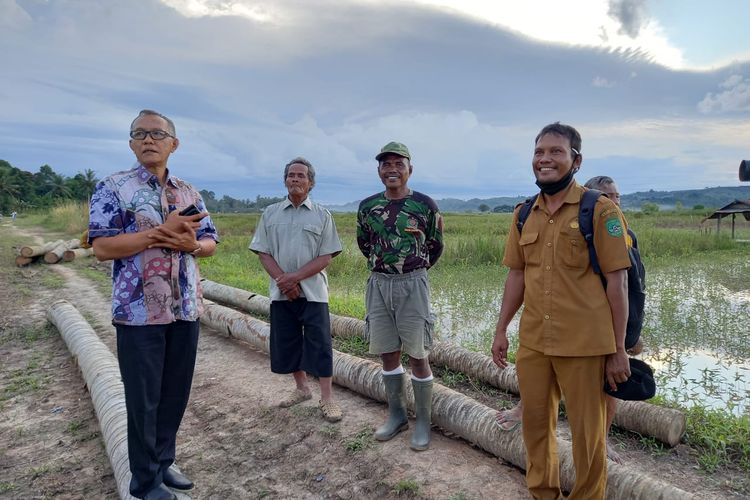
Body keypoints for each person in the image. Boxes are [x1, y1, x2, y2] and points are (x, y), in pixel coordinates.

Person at [491, 122, 631, 499]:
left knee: (588, 436)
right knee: (536, 427)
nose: (545, 159)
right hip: (535, 342)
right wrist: (502, 328)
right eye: (539, 152)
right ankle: (543, 493)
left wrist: (619, 349)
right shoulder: (523, 214)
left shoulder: (600, 211)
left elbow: (618, 284)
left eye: (556, 151)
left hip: (585, 344)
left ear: (576, 160)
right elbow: (517, 275)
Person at [88, 109, 218, 500]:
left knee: (175, 393)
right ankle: (144, 482)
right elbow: (102, 247)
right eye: (140, 134)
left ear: (173, 144)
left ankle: (163, 462)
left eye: (157, 134)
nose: (149, 140)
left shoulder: (188, 191)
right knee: (142, 399)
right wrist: (160, 234)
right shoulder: (113, 188)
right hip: (138, 311)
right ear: (131, 143)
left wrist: (192, 245)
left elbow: (210, 241)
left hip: (184, 308)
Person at [496, 175, 644, 465]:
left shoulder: (623, 232)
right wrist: (501, 328)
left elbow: (629, 286)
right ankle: (525, 412)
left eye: (617, 196)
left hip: (600, 331)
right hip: (550, 328)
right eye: (607, 196)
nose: (613, 202)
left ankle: (601, 440)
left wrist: (624, 341)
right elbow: (522, 275)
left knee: (605, 392)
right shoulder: (538, 215)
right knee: (540, 386)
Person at [357, 141, 444, 451]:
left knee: (418, 354)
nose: (392, 169)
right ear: (379, 171)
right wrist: (388, 268)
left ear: (410, 169)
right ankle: (396, 415)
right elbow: (365, 244)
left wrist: (411, 269)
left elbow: (435, 246)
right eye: (385, 164)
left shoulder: (425, 205)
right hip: (379, 284)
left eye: (398, 164)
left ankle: (422, 420)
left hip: (413, 284)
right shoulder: (367, 207)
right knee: (387, 351)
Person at [249, 157, 344, 423]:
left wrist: (295, 279)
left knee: (320, 344)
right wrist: (283, 282)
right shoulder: (270, 213)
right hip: (281, 293)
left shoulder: (322, 215)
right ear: (284, 180)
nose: (295, 179)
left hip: (314, 292)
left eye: (301, 176)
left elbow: (326, 256)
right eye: (291, 175)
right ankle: (301, 389)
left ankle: (327, 399)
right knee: (288, 341)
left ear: (311, 183)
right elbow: (263, 252)